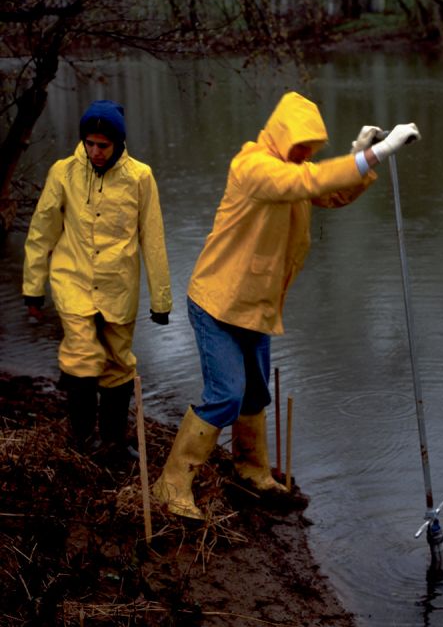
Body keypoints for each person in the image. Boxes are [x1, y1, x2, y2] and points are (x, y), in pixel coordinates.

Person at [153, 91, 420, 519]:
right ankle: (171, 485)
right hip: (217, 303)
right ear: (281, 135)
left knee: (255, 394)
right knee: (225, 395)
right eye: (299, 146)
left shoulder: (292, 171)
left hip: (255, 306)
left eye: (309, 149)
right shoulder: (254, 166)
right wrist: (379, 152)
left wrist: (363, 155)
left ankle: (251, 471)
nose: (304, 155)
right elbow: (308, 182)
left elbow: (331, 194)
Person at [22, 99, 172, 457]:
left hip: (119, 286)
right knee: (81, 355)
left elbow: (153, 239)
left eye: (102, 145)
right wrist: (33, 287)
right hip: (72, 279)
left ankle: (114, 440)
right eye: (89, 143)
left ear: (118, 143)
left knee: (118, 362)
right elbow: (42, 230)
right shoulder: (64, 172)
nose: (95, 152)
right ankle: (82, 439)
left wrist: (160, 300)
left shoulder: (140, 177)